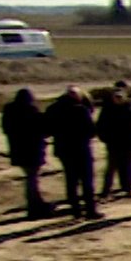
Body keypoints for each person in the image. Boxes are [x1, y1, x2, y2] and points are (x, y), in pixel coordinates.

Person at [43, 85, 100, 220]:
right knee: (87, 181)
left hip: (63, 149)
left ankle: (76, 211)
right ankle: (90, 210)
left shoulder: (53, 109)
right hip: (81, 149)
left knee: (71, 181)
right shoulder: (80, 110)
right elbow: (91, 131)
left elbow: (46, 130)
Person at [0, 88, 56, 219]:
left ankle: (37, 204)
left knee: (31, 178)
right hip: (31, 149)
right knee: (32, 179)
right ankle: (34, 208)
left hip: (17, 149)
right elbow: (43, 129)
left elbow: (6, 129)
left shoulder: (9, 111)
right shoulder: (31, 111)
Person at [95, 88, 131, 200]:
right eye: (116, 97)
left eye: (120, 97)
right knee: (111, 169)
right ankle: (106, 192)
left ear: (125, 97)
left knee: (128, 168)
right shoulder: (107, 110)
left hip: (130, 144)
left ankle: (128, 189)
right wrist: (105, 139)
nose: (118, 99)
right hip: (114, 144)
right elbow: (100, 127)